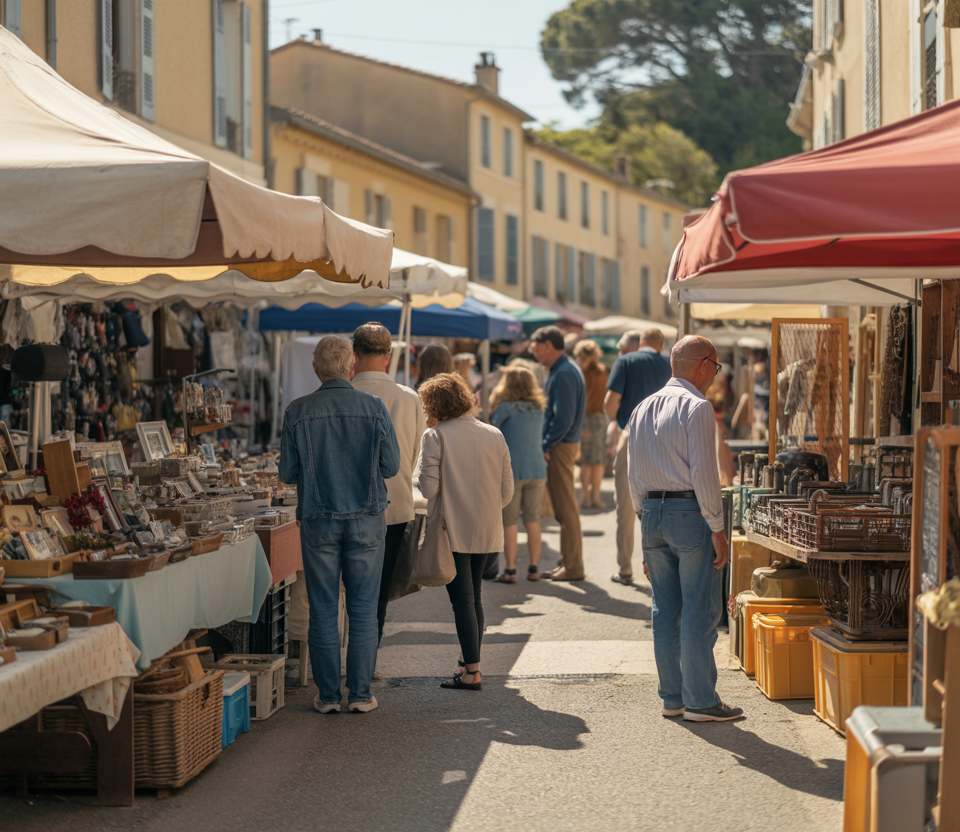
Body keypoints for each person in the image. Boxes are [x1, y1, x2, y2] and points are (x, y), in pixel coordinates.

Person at [279, 335, 401, 715]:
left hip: (319, 519)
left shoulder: (297, 411)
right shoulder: (375, 407)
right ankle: (361, 695)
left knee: (324, 607)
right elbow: (391, 466)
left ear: (316, 368)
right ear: (352, 366)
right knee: (364, 609)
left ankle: (329, 696)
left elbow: (287, 473)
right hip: (366, 518)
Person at [627, 335, 741, 723]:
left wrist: (644, 518)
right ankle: (701, 701)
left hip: (652, 513)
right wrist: (718, 527)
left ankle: (673, 696)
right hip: (688, 512)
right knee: (698, 608)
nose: (715, 375)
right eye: (717, 367)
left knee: (665, 609)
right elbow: (705, 473)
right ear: (705, 364)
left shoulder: (642, 407)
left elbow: (632, 474)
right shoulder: (697, 406)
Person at [415, 373, 513, 691]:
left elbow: (428, 489)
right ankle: (468, 663)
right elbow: (506, 491)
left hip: (452, 528)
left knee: (463, 602)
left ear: (434, 404)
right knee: (475, 599)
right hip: (486, 527)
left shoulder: (435, 435)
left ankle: (472, 671)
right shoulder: (494, 434)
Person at [349, 323, 427, 644]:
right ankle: (367, 663)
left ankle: (351, 655)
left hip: (349, 506)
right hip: (396, 506)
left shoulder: (344, 394)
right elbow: (414, 454)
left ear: (354, 356)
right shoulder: (409, 399)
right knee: (378, 595)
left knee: (349, 590)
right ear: (389, 355)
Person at [604, 328, 671, 585]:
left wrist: (614, 420)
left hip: (631, 435)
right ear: (660, 344)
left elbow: (611, 402)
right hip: (663, 439)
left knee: (625, 506)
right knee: (657, 504)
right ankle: (655, 568)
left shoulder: (625, 361)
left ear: (639, 343)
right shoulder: (669, 363)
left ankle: (625, 569)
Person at [529, 326, 586, 582]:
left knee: (565, 510)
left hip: (561, 445)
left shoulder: (564, 372)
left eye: (535, 344)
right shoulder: (565, 368)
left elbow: (564, 417)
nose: (532, 349)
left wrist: (547, 445)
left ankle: (573, 566)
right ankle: (568, 562)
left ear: (548, 345)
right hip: (564, 444)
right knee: (565, 509)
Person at [489, 365, 547, 582]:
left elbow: (492, 433)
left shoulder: (505, 408)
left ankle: (510, 570)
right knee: (533, 518)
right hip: (537, 469)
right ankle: (534, 569)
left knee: (510, 521)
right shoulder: (539, 408)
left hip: (512, 471)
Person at [573, 339, 609, 510]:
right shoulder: (602, 372)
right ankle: (596, 497)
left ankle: (585, 497)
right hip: (599, 418)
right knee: (598, 461)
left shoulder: (578, 373)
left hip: (583, 418)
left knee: (586, 462)